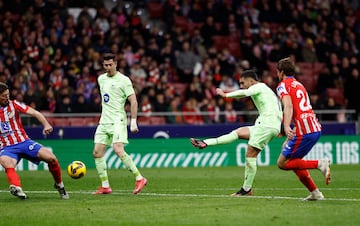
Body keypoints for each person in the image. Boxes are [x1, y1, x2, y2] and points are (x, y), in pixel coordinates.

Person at [190, 70, 283, 196]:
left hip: (267, 124)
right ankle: (205, 142)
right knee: (238, 133)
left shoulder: (259, 86)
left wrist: (225, 94)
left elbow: (245, 93)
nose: (241, 85)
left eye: (242, 82)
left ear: (251, 81)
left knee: (251, 154)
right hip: (267, 124)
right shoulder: (266, 90)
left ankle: (246, 189)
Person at [0, 82, 69, 200]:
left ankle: (59, 185)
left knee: (51, 158)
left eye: (8, 94)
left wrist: (46, 124)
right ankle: (17, 188)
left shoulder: (14, 104)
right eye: (4, 96)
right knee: (6, 163)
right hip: (7, 147)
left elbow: (34, 112)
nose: (7, 97)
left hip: (24, 142)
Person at [275, 57, 331, 201]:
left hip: (304, 130)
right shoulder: (299, 85)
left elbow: (288, 106)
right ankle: (315, 193)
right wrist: (290, 134)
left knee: (282, 163)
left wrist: (286, 126)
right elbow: (299, 109)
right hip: (313, 127)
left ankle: (320, 164)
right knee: (294, 160)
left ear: (281, 72)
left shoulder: (282, 85)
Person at [92, 53, 147, 195]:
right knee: (97, 153)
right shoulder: (101, 79)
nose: (108, 68)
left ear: (116, 64)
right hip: (104, 121)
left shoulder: (124, 80)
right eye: (105, 65)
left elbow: (133, 101)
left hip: (118, 120)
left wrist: (133, 121)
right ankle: (105, 186)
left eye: (110, 65)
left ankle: (139, 178)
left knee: (118, 149)